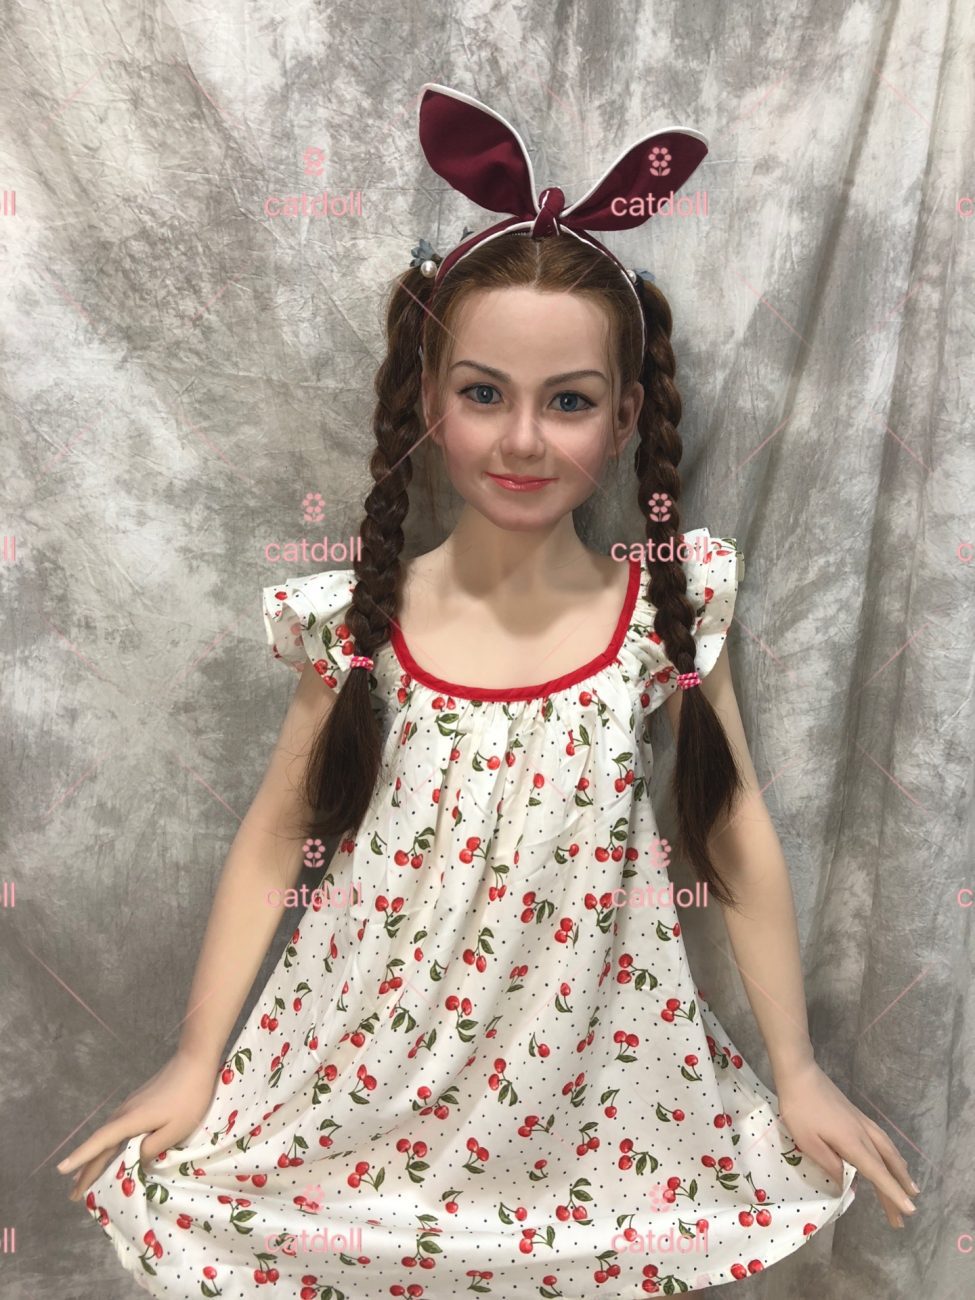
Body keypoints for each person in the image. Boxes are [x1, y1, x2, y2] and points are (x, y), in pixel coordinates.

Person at [59, 85, 918, 1297]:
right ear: (429, 401)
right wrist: (198, 1058)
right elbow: (278, 833)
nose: (522, 438)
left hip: (590, 1102)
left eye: (568, 400)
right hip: (364, 1092)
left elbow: (730, 824)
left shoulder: (663, 614)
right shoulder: (359, 624)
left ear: (625, 417)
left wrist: (798, 1067)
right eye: (483, 393)